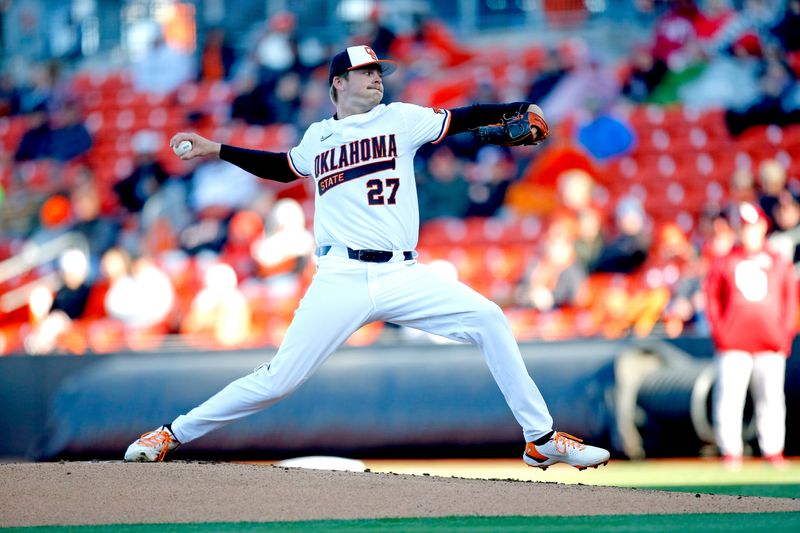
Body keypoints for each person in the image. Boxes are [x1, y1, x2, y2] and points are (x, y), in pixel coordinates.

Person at [124, 45, 610, 470]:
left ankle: (541, 440)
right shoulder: (318, 137)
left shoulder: (400, 118)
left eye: (380, 71)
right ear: (339, 83)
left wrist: (519, 106)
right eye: (367, 72)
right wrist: (217, 149)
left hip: (402, 272)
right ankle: (171, 433)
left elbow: (463, 116)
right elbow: (279, 168)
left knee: (488, 318)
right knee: (278, 381)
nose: (378, 77)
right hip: (340, 275)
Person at [704, 202, 798, 468]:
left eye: (751, 226)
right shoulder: (725, 260)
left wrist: (784, 333)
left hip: (769, 342)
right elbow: (712, 299)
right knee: (730, 397)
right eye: (742, 227)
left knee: (771, 397)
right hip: (734, 343)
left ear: (762, 226)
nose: (747, 232)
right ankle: (730, 451)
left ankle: (773, 450)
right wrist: (720, 332)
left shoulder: (778, 260)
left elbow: (789, 299)